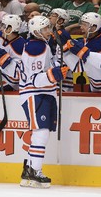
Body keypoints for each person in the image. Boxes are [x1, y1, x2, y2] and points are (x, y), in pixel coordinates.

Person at [19, 15, 69, 188]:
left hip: (44, 92)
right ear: (36, 32)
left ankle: (29, 170)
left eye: (49, 28)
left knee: (40, 133)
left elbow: (48, 67)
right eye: (45, 29)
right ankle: (35, 171)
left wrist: (60, 58)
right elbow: (35, 79)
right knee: (41, 132)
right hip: (35, 93)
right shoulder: (35, 48)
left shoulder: (43, 45)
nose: (49, 31)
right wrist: (53, 75)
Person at [61, 12, 101, 92]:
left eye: (84, 24)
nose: (81, 27)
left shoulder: (98, 46)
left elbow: (77, 67)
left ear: (93, 28)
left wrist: (64, 49)